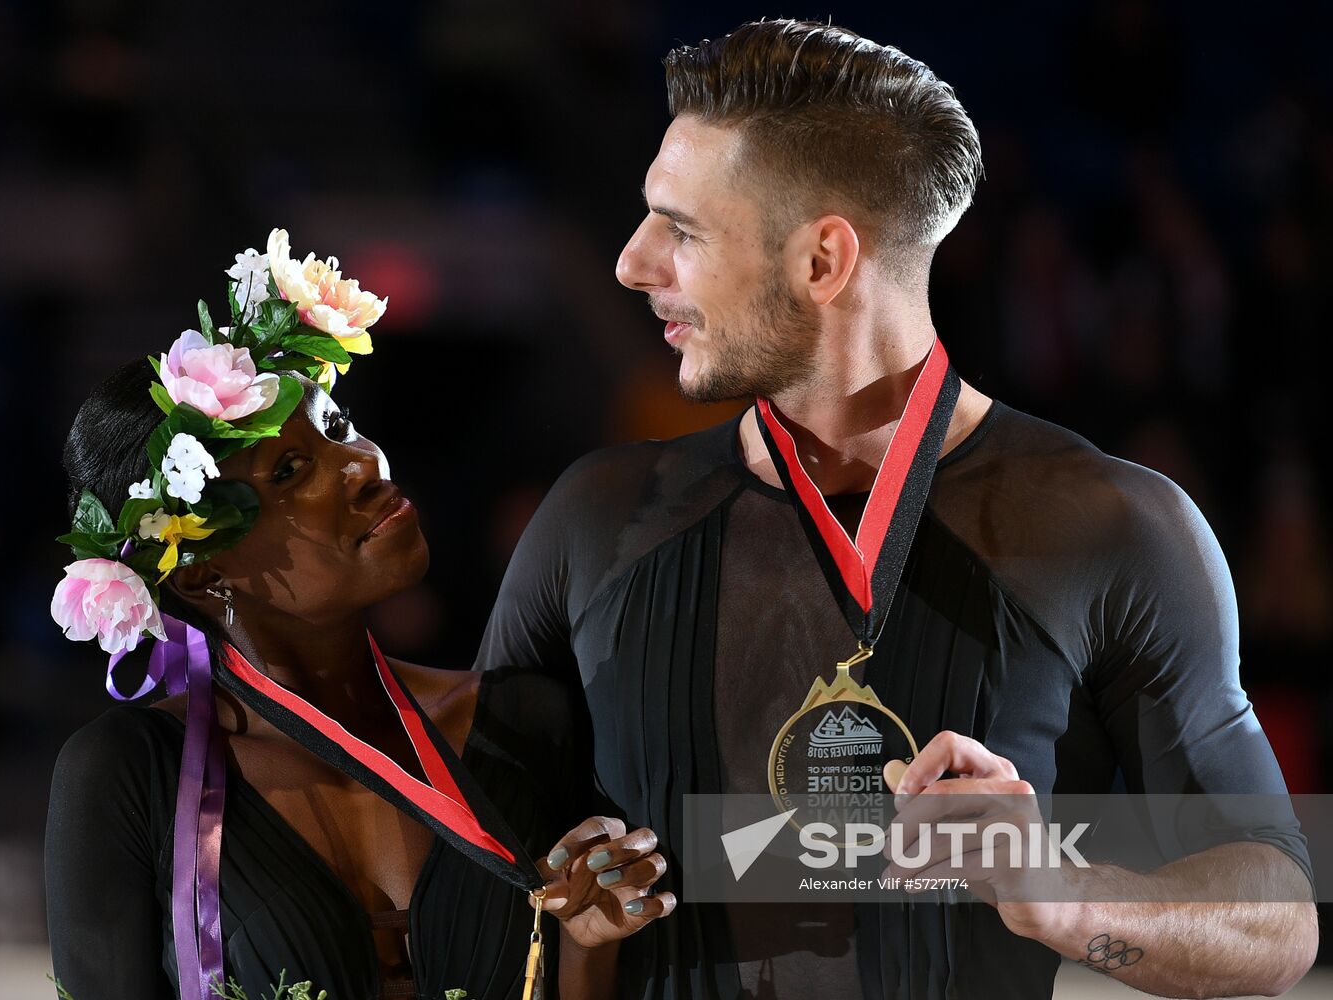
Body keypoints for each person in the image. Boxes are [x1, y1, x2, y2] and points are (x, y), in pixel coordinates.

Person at [474, 19, 1318, 1000]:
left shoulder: (1110, 526)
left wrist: (1062, 895)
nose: (632, 262)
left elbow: (1276, 922)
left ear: (823, 260)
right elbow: (463, 851)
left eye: (683, 229)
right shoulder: (594, 518)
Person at [45, 232, 675, 1000]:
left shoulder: (522, 720)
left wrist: (590, 950)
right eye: (287, 471)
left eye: (337, 426)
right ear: (203, 569)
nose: (363, 465)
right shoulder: (131, 773)